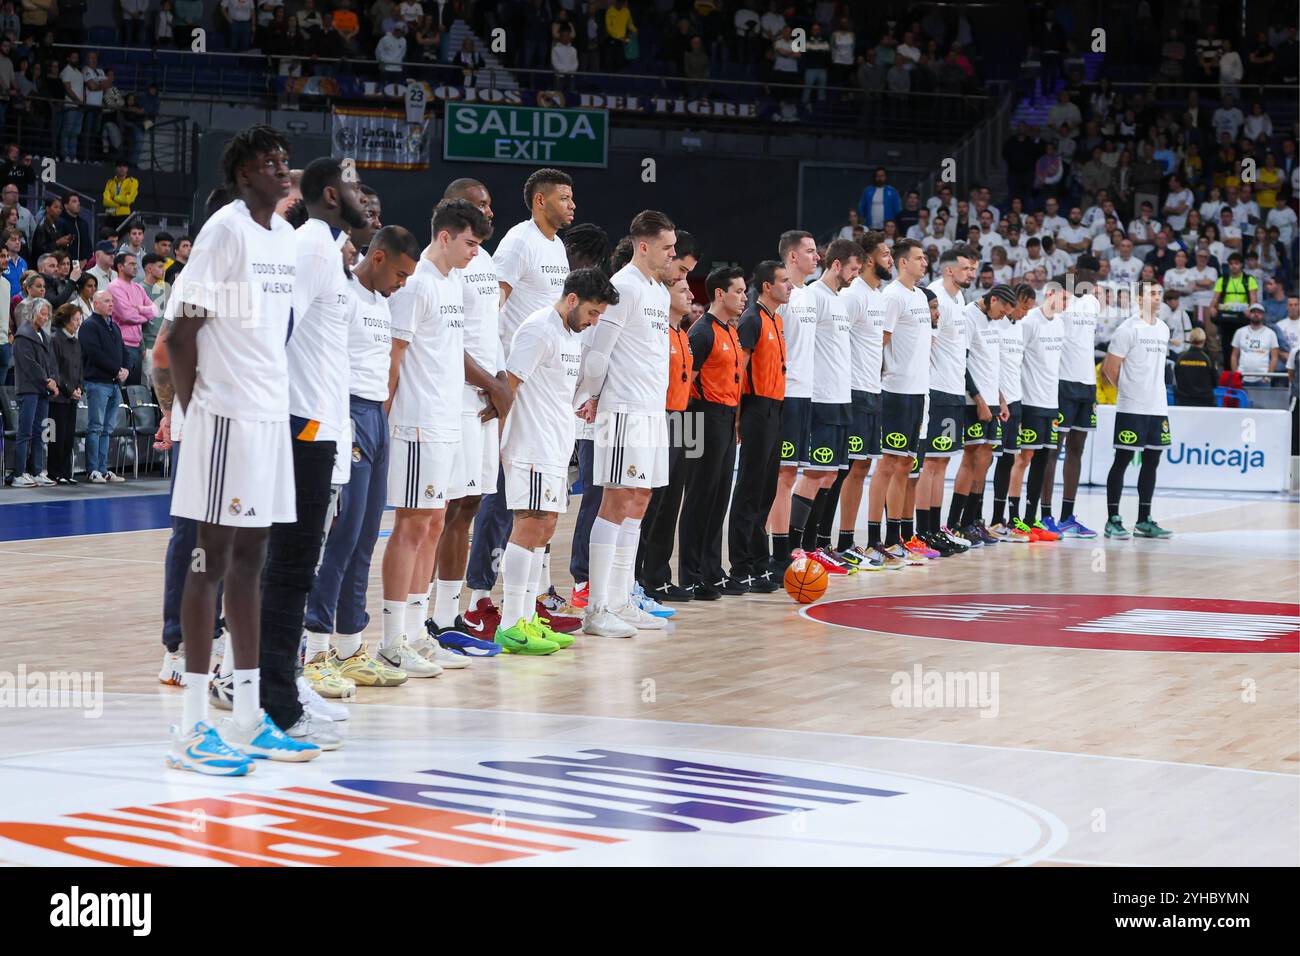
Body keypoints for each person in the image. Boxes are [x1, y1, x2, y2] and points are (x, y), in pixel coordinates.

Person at [166, 125, 317, 773]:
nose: (283, 171)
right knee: (210, 560)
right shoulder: (225, 232)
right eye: (269, 163)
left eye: (285, 161)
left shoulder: (281, 236)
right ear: (242, 175)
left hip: (267, 417)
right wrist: (196, 410)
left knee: (253, 558)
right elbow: (180, 334)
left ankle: (252, 717)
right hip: (223, 417)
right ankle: (192, 726)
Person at [246, 155, 374, 750]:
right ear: (330, 194)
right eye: (352, 188)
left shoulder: (325, 246)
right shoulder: (314, 246)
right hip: (302, 424)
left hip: (320, 424)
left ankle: (285, 688)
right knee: (290, 566)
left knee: (296, 566)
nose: (363, 199)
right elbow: (280, 326)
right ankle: (275, 700)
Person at [303, 224, 424, 694]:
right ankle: (314, 650)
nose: (403, 283)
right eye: (399, 272)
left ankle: (351, 646)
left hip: (377, 418)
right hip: (346, 414)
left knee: (366, 539)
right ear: (377, 258)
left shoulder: (382, 302)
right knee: (342, 536)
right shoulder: (343, 294)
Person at [379, 198, 491, 677]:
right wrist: (379, 424)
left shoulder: (456, 280)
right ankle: (390, 639)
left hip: (448, 421)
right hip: (417, 422)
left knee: (434, 521)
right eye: (469, 243)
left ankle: (417, 631)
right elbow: (394, 358)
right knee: (412, 524)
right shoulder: (415, 284)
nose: (474, 253)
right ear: (444, 236)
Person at [464, 168, 572, 634]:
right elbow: (494, 307)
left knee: (537, 503)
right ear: (539, 201)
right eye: (564, 198)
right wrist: (498, 380)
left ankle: (527, 599)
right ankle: (479, 596)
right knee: (504, 494)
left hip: (546, 382)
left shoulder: (557, 247)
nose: (572, 205)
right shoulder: (517, 241)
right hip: (516, 379)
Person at [494, 267, 619, 652]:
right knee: (530, 526)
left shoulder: (568, 334)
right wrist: (498, 443)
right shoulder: (538, 328)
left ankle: (528, 618)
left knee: (545, 528)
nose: (594, 321)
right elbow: (507, 387)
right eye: (592, 313)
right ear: (572, 300)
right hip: (530, 445)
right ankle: (511, 623)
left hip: (554, 446)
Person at [422, 179, 522, 656]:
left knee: (471, 505)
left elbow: (489, 332)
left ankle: (450, 610)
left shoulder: (482, 259)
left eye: (489, 204)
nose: (488, 212)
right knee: (441, 508)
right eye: (478, 206)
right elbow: (447, 342)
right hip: (458, 397)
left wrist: (500, 380)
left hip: (484, 397)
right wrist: (493, 385)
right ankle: (429, 616)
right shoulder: (439, 265)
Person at [574, 209, 676, 636]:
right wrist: (590, 396)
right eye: (668, 247)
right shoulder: (623, 287)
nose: (673, 255)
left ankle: (620, 599)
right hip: (624, 409)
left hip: (652, 411)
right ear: (644, 244)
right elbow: (598, 350)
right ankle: (597, 607)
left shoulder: (659, 291)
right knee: (615, 502)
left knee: (640, 501)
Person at [678, 266, 747, 596]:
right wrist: (683, 431)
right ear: (720, 294)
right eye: (739, 291)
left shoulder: (731, 331)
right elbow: (685, 382)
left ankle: (712, 569)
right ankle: (690, 573)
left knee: (719, 496)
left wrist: (735, 420)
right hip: (700, 418)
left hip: (724, 419)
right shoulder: (701, 331)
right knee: (698, 498)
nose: (744, 297)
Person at [725, 258, 794, 588]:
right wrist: (738, 417)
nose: (790, 285)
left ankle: (759, 559)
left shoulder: (776, 320)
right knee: (750, 490)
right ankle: (741, 565)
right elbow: (739, 371)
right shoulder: (752, 319)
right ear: (767, 286)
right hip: (755, 409)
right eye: (784, 281)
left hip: (775, 408)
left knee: (767, 489)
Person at [641, 270, 707, 599]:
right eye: (683, 290)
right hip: (662, 416)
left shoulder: (684, 333)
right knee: (656, 501)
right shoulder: (659, 333)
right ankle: (646, 576)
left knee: (674, 500)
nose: (691, 296)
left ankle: (662, 574)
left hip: (686, 417)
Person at [914, 245, 978, 555]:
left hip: (954, 392)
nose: (972, 273)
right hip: (937, 391)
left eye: (972, 269)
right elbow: (926, 346)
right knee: (931, 463)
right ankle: (922, 530)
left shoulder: (960, 299)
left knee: (942, 462)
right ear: (949, 269)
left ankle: (936, 529)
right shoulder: (935, 296)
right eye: (966, 268)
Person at [870, 237, 931, 552]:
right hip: (895, 391)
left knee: (907, 466)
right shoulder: (891, 296)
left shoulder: (919, 296)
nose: (924, 262)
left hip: (919, 392)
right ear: (903, 262)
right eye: (919, 258)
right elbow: (880, 342)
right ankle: (874, 538)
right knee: (888, 465)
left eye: (925, 258)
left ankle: (897, 538)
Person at [766, 230, 819, 575]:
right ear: (792, 257)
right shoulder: (783, 298)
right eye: (810, 252)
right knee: (782, 476)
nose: (817, 257)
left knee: (792, 473)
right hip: (785, 394)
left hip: (806, 394)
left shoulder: (810, 296)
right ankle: (777, 551)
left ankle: (787, 546)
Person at [1102, 282, 1173, 539]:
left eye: (1159, 295)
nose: (1157, 299)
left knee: (1152, 461)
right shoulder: (1127, 329)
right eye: (1152, 294)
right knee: (1122, 460)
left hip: (1158, 406)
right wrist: (1128, 392)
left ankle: (1144, 519)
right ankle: (1113, 518)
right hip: (1132, 406)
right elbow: (1108, 369)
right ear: (1139, 298)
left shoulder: (1164, 329)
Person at [947, 283, 1015, 544]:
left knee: (985, 461)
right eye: (1003, 310)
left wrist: (1000, 399)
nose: (1003, 316)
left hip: (992, 401)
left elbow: (990, 363)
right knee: (971, 459)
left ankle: (972, 521)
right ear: (993, 299)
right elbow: (962, 363)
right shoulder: (968, 316)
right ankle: (954, 523)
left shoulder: (996, 322)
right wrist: (979, 399)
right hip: (972, 401)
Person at [1040, 255, 1103, 538]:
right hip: (1061, 381)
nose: (1093, 281)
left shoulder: (1094, 301)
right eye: (1089, 275)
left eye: (1097, 276)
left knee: (1077, 447)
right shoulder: (1057, 295)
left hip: (1086, 382)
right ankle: (1045, 515)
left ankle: (1067, 515)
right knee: (1054, 449)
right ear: (1076, 272)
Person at [987, 283, 1036, 537]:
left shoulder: (1021, 329)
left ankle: (1001, 517)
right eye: (1023, 308)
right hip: (997, 401)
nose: (1025, 314)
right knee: (986, 459)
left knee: (1008, 459)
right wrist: (998, 397)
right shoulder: (995, 326)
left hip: (1016, 401)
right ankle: (979, 517)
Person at [77, 289, 128, 484]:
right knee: (96, 427)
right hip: (97, 382)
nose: (110, 304)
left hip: (114, 384)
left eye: (112, 301)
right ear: (95, 304)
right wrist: (117, 369)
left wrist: (126, 369)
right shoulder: (89, 326)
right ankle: (93, 470)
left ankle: (103, 468)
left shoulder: (113, 326)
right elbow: (94, 353)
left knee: (107, 429)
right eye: (106, 301)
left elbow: (123, 351)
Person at [9, 295, 57, 486]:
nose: (45, 318)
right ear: (33, 314)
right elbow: (29, 365)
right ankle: (19, 474)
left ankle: (37, 471)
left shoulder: (43, 336)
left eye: (47, 315)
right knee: (25, 432)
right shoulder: (23, 335)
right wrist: (47, 381)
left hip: (42, 391)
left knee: (41, 432)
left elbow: (51, 362)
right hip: (29, 390)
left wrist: (54, 379)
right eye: (42, 314)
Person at [45, 301, 81, 484]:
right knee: (56, 437)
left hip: (72, 398)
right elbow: (55, 369)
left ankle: (66, 473)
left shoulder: (75, 340)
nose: (78, 323)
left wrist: (80, 387)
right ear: (66, 320)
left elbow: (79, 367)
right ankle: (54, 472)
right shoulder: (55, 339)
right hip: (58, 398)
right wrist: (69, 390)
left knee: (68, 437)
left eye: (79, 319)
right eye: (75, 319)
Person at [107, 251, 155, 385]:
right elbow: (126, 315)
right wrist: (144, 316)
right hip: (122, 344)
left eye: (136, 264)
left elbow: (154, 310)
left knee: (134, 390)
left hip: (137, 345)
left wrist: (138, 310)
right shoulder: (114, 287)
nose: (136, 267)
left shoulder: (138, 288)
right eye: (131, 264)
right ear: (120, 267)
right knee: (122, 389)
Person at [1209, 252, 1259, 366]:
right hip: (1227, 317)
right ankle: (1227, 373)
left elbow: (1253, 300)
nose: (1234, 266)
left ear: (1241, 265)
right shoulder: (1223, 280)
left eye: (1236, 263)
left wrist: (1250, 310)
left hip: (1242, 317)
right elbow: (1214, 300)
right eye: (1231, 264)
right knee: (1227, 347)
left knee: (1243, 346)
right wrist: (1212, 308)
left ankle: (1241, 372)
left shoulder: (1249, 279)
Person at [1231, 303, 1281, 384]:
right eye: (1253, 312)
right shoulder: (1240, 332)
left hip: (1262, 379)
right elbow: (1234, 356)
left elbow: (1274, 357)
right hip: (1242, 378)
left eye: (1259, 312)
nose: (1256, 314)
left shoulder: (1271, 333)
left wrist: (1268, 376)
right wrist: (1236, 376)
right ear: (1249, 314)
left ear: (1263, 315)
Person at [1173, 327, 1217, 405]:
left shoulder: (1181, 358)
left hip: (1183, 401)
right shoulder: (1208, 359)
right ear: (1204, 340)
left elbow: (1176, 379)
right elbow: (1215, 383)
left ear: (1190, 340)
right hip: (1205, 402)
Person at [101, 162, 138, 232]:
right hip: (110, 214)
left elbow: (128, 200)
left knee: (122, 241)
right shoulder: (110, 182)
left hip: (124, 216)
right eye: (119, 166)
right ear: (116, 168)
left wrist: (114, 197)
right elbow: (105, 201)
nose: (122, 168)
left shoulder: (133, 181)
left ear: (127, 168)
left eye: (124, 166)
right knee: (107, 239)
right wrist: (119, 204)